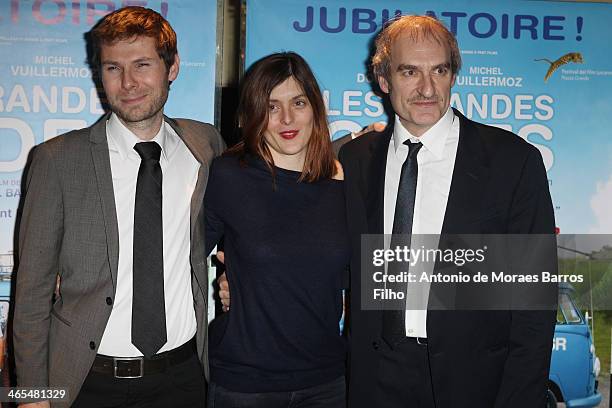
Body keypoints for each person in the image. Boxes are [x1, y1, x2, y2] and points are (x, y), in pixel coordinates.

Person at [337, 15, 558, 408]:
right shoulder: (355, 160)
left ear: (453, 75)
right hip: (374, 377)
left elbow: (533, 304)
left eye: (439, 70)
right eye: (409, 72)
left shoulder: (513, 161)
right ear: (384, 80)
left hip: (475, 383)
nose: (426, 88)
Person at [13, 6, 224, 407]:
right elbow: (32, 291)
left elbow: (269, 171)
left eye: (142, 64)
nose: (128, 82)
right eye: (113, 68)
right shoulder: (56, 160)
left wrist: (348, 153)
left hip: (184, 378)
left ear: (172, 66)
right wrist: (30, 395)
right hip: (84, 382)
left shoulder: (205, 145)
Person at [203, 52, 348, 408]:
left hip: (327, 381)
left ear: (315, 106)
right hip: (246, 384)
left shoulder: (343, 181)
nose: (287, 118)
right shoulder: (228, 175)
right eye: (271, 106)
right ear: (255, 114)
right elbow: (179, 259)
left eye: (298, 102)